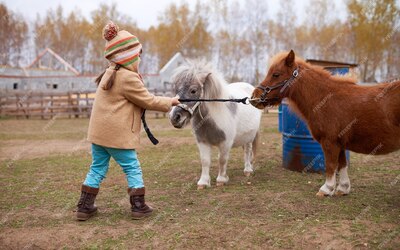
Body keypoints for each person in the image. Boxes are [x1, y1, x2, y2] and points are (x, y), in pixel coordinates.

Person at [76, 21, 180, 221]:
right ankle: (138, 206)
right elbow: (148, 100)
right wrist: (172, 101)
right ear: (129, 56)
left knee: (97, 167)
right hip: (117, 135)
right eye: (138, 55)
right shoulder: (128, 78)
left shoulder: (110, 73)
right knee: (132, 167)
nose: (139, 60)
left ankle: (84, 206)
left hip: (99, 135)